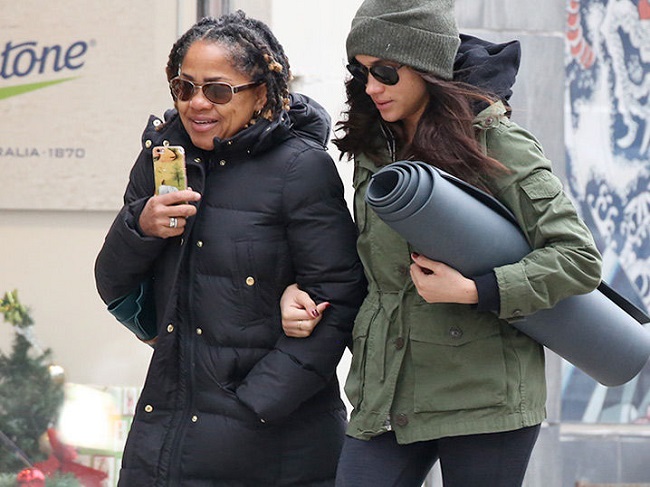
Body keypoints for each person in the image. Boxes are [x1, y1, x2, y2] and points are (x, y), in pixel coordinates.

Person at [280, 0, 603, 486]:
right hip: (387, 391)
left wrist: (476, 290)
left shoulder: (496, 142)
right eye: (361, 71)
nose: (371, 87)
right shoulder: (375, 144)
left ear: (427, 66)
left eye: (385, 72)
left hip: (484, 398)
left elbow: (577, 259)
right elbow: (369, 264)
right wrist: (298, 291)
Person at [94, 11, 366, 486]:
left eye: (218, 90)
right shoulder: (161, 158)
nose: (197, 103)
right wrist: (140, 225)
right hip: (169, 429)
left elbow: (339, 297)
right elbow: (115, 286)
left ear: (260, 93)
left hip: (275, 441)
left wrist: (259, 402)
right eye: (184, 87)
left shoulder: (301, 168)